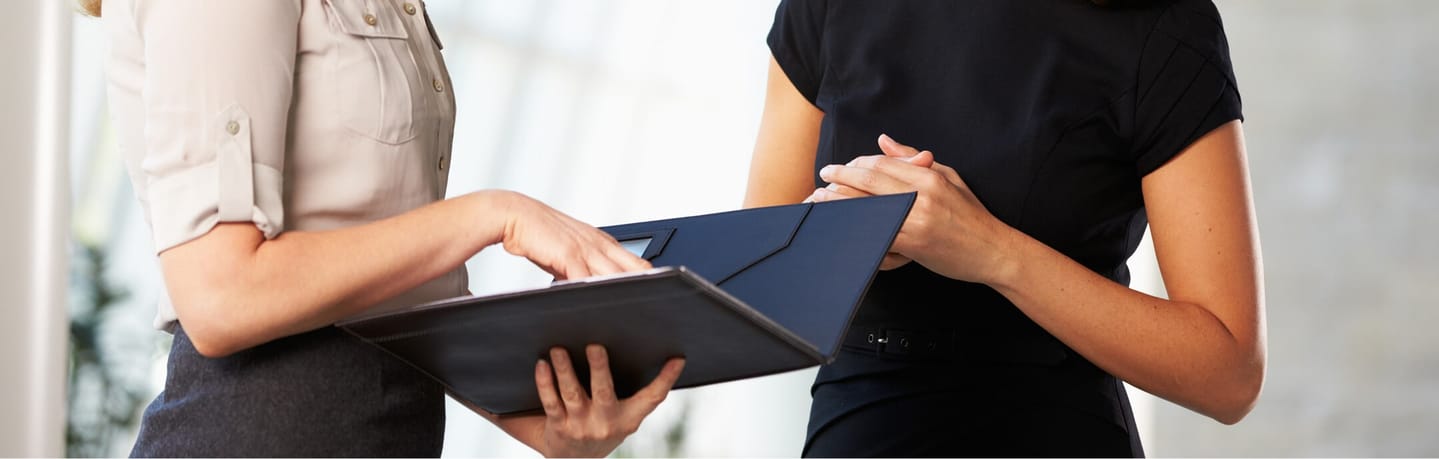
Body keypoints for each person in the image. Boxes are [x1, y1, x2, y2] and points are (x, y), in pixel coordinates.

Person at [88, 0, 683, 456]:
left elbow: (385, 270)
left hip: (390, 429)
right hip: (261, 430)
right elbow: (221, 296)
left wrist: (529, 412)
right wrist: (494, 215)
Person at [747, 0, 1267, 456]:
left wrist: (990, 251)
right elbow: (751, 291)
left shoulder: (1166, 25)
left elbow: (1229, 374)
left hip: (1052, 434)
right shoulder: (826, 6)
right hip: (855, 431)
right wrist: (848, 241)